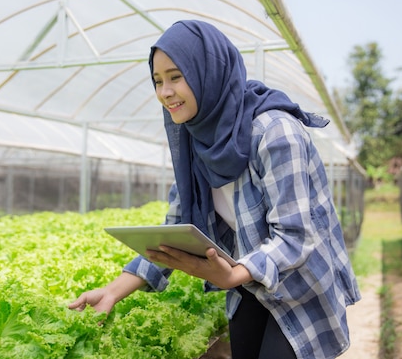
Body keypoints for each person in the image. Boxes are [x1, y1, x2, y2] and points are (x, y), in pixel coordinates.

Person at [68, 20, 361, 359]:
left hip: (300, 286)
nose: (165, 92)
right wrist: (112, 291)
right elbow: (174, 229)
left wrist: (231, 275)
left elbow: (296, 237)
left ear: (207, 72)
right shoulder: (194, 138)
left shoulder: (275, 132)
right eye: (157, 81)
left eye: (176, 77)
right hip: (249, 284)